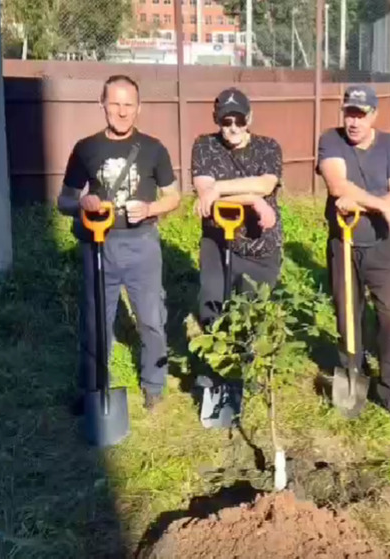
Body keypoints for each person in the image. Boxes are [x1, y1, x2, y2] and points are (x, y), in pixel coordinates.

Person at [58, 74, 180, 411]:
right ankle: (93, 390)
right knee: (96, 319)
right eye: (115, 104)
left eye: (129, 105)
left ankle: (154, 384)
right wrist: (81, 204)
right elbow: (63, 200)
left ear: (139, 108)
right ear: (103, 105)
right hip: (99, 245)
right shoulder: (86, 149)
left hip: (142, 245)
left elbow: (174, 197)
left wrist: (151, 208)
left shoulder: (154, 149)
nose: (122, 111)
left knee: (151, 317)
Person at [317, 85, 390, 421]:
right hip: (343, 244)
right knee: (348, 318)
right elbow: (337, 186)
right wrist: (383, 208)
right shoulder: (330, 139)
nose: (353, 121)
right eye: (349, 113)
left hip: (385, 249)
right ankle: (353, 381)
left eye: (361, 114)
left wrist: (365, 202)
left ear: (374, 114)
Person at [191, 87, 282, 328]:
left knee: (252, 317)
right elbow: (205, 194)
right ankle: (212, 362)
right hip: (218, 242)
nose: (233, 127)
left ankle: (249, 363)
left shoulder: (268, 147)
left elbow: (265, 184)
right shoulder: (204, 146)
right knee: (213, 312)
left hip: (259, 245)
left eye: (239, 120)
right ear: (216, 119)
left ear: (249, 119)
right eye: (226, 121)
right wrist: (252, 200)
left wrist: (219, 188)